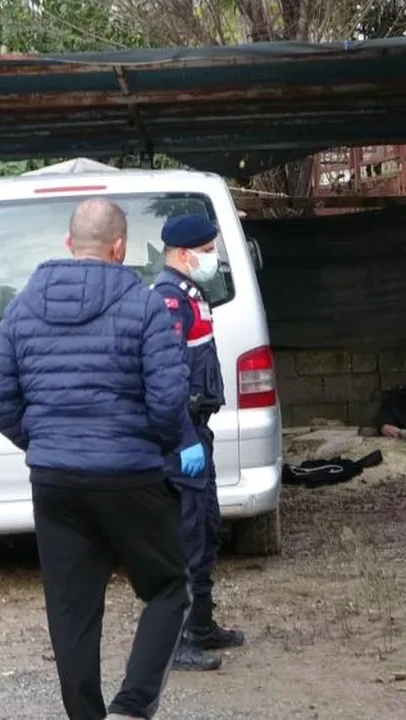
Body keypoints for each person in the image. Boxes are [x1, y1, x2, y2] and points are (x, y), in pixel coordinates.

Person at [0, 198, 192, 720]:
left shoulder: (24, 304)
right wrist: (155, 445)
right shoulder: (144, 305)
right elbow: (168, 401)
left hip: (55, 482)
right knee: (168, 587)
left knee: (70, 611)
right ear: (120, 248)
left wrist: (39, 439)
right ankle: (131, 707)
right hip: (129, 476)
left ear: (70, 244)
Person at [150, 214, 246, 672]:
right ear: (186, 254)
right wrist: (184, 437)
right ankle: (175, 640)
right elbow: (164, 382)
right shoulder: (169, 301)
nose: (214, 258)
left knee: (205, 528)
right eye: (208, 250)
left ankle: (201, 624)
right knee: (184, 536)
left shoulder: (191, 295)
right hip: (178, 436)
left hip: (195, 432)